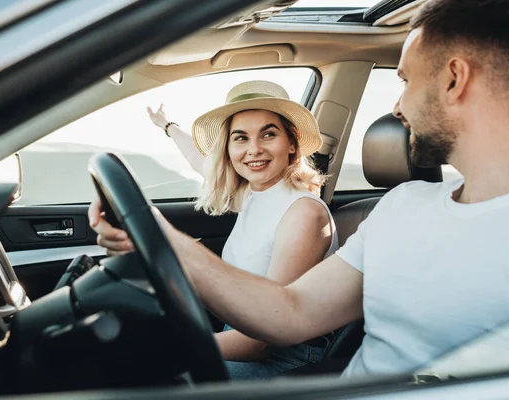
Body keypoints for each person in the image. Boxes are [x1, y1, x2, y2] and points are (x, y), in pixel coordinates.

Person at [91, 0, 509, 378]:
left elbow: (266, 342)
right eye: (240, 138)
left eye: (405, 81)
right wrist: (155, 234)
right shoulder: (402, 206)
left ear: (454, 78)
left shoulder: (307, 212)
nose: (396, 106)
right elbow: (291, 311)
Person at [97, 80, 339, 379]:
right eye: (240, 138)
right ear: (228, 147)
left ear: (291, 143)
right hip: (237, 336)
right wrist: (167, 125)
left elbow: (260, 342)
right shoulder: (254, 194)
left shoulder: (303, 213)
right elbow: (198, 160)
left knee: (143, 376)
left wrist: (164, 346)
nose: (253, 149)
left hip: (286, 361)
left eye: (268, 134)